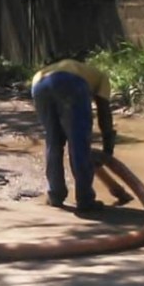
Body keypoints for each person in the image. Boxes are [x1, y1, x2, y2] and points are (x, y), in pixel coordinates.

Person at [31, 58, 115, 211]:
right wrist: (108, 145)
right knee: (78, 141)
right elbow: (104, 110)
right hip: (69, 83)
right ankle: (85, 200)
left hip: (38, 84)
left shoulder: (76, 69)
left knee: (53, 140)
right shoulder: (102, 77)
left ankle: (55, 195)